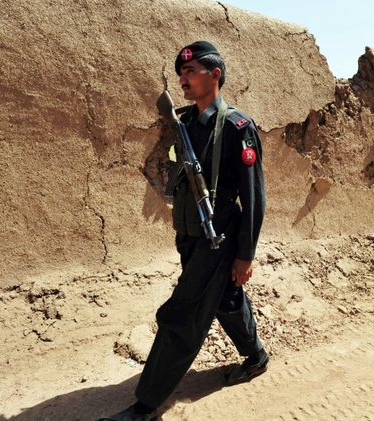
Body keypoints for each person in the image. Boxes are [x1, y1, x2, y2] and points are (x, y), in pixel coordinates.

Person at [99, 41, 269, 421]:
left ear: (215, 76)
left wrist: (245, 255)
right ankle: (256, 356)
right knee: (225, 297)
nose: (183, 79)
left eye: (191, 72)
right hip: (189, 236)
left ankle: (145, 404)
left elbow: (254, 197)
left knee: (182, 315)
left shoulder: (239, 128)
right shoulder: (185, 124)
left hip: (218, 237)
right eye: (181, 73)